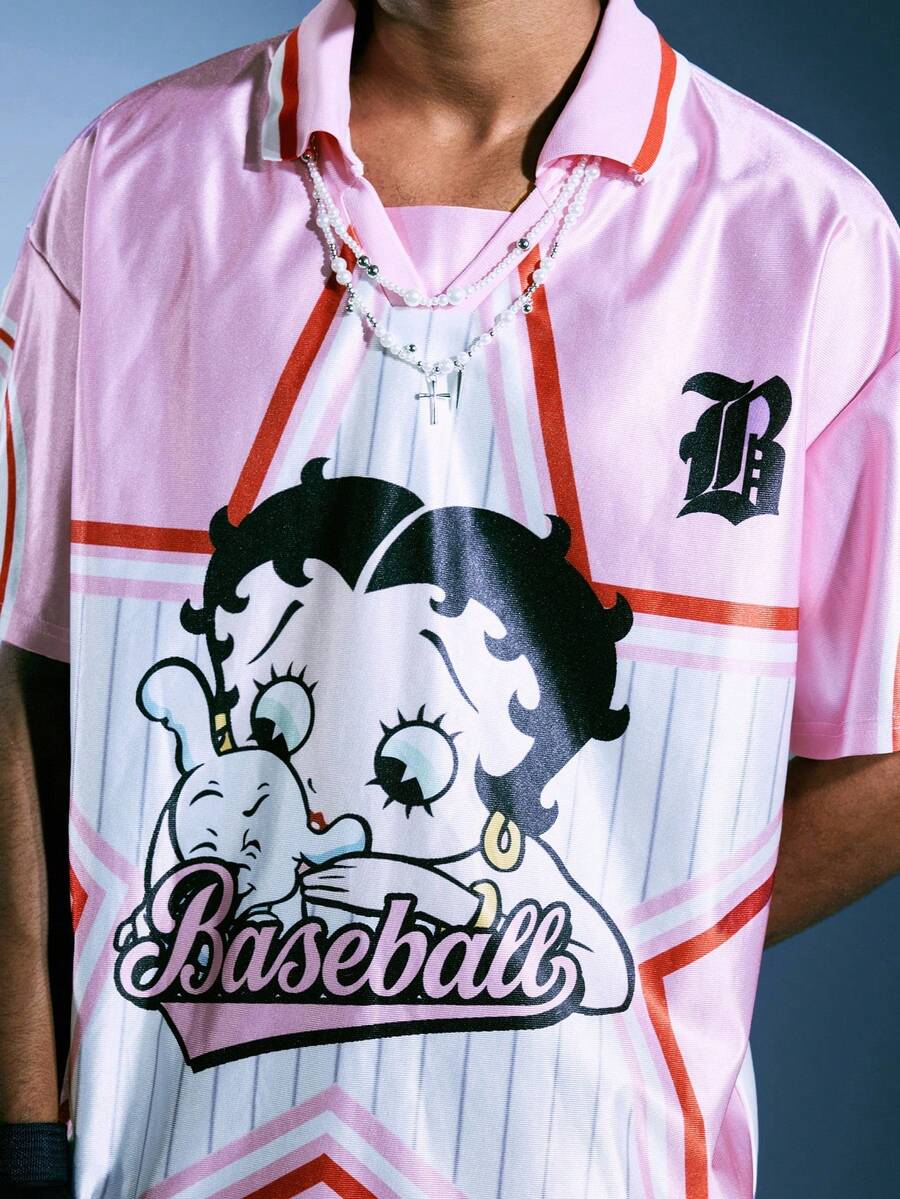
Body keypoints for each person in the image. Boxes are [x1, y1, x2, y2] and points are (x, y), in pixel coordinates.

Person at [0, 0, 897, 1196]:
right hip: (165, 1158)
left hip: (594, 1161)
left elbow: (886, 750)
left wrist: (568, 935)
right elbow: (29, 663)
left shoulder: (812, 232)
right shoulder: (128, 177)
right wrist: (21, 1123)